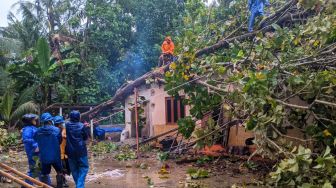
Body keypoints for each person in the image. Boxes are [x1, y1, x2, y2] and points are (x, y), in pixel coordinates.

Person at [34, 113, 63, 188]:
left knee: (44, 173)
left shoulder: (38, 131)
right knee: (59, 172)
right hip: (55, 156)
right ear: (50, 120)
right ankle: (60, 186)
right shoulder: (57, 130)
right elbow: (60, 141)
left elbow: (35, 139)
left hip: (44, 157)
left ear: (42, 121)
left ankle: (47, 186)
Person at [21, 114, 50, 185]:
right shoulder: (28, 129)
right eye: (34, 119)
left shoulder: (32, 128)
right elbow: (26, 139)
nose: (35, 121)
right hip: (33, 152)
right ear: (29, 121)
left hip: (37, 152)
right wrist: (35, 145)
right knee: (36, 170)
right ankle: (27, 185)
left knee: (38, 169)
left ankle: (45, 184)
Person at [66, 111, 89, 188]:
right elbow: (85, 137)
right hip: (81, 151)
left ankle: (79, 185)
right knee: (84, 168)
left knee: (74, 170)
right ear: (79, 117)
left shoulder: (67, 125)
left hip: (70, 152)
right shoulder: (82, 126)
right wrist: (85, 128)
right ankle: (79, 186)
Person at [54, 116, 70, 187]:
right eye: (61, 123)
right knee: (61, 169)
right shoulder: (54, 131)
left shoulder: (64, 130)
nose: (61, 125)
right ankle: (62, 182)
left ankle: (63, 180)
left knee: (65, 168)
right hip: (58, 154)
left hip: (64, 153)